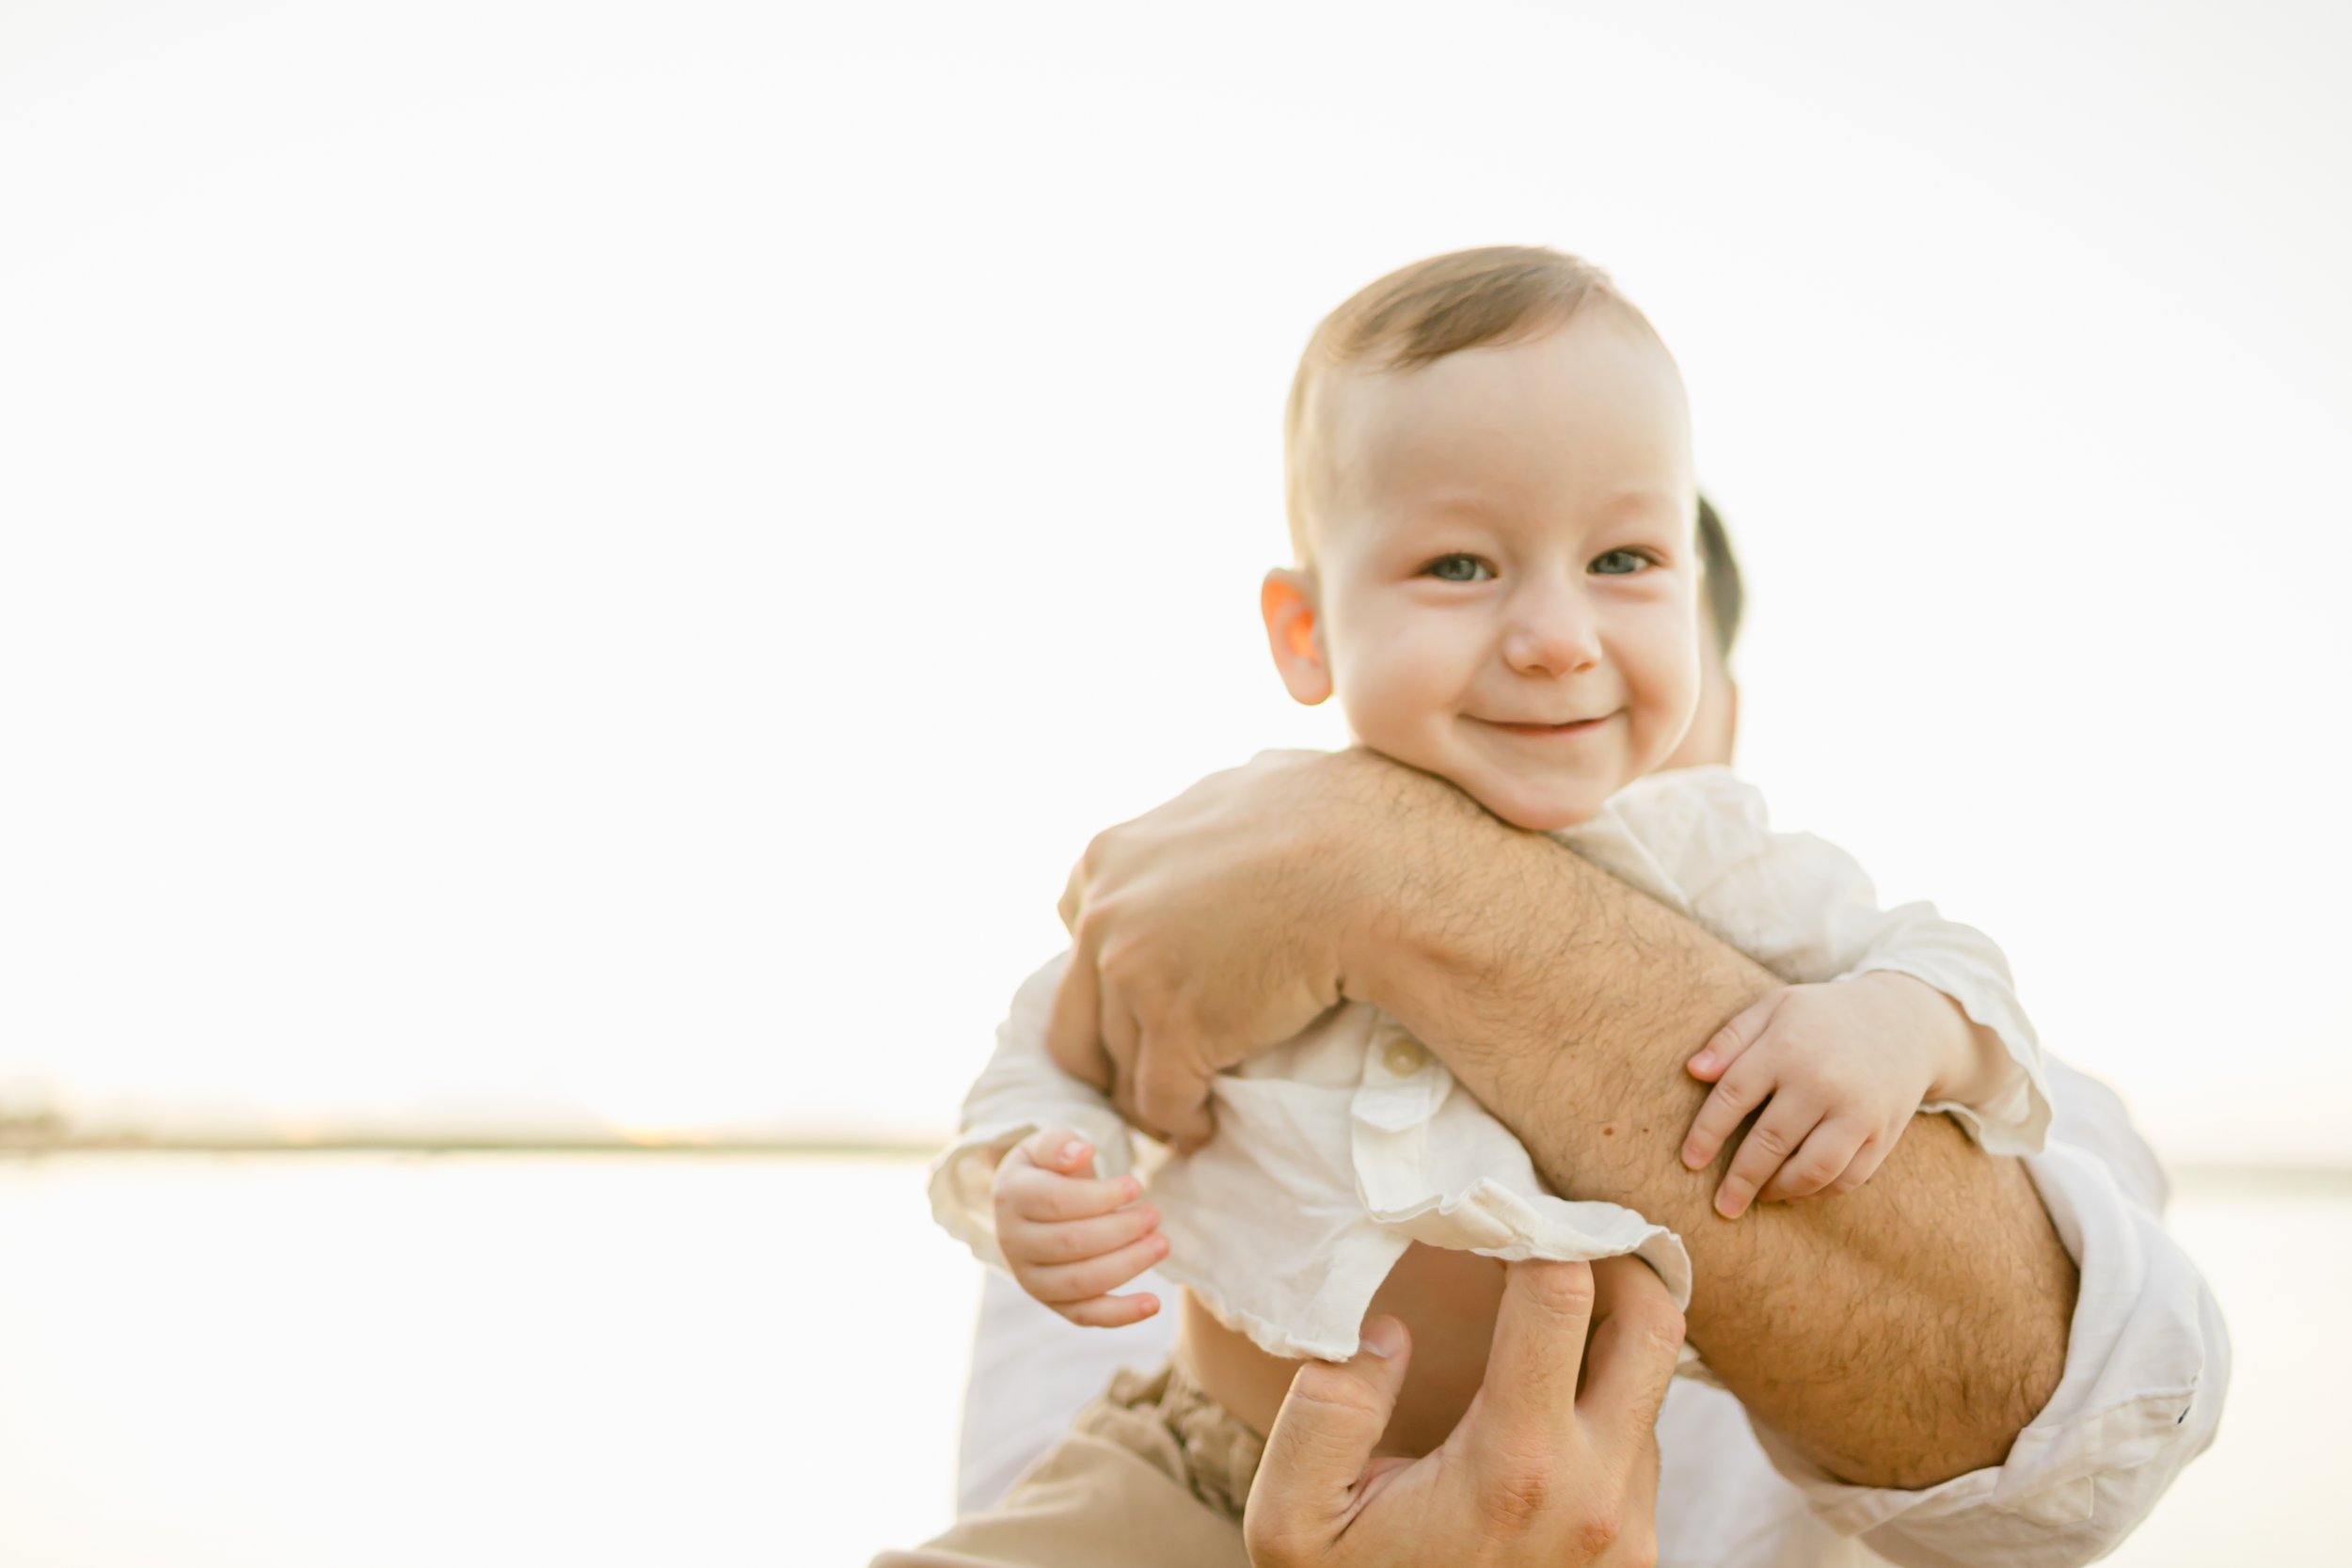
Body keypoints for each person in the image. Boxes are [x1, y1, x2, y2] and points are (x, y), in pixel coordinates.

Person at [882, 247, 2226, 1565]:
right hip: (1196, 1463)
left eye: (1624, 563)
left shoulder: (1725, 866)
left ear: (1702, 648)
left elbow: (1945, 968)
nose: (1556, 638)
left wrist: (1894, 1030)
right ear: (1306, 635)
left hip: (1585, 1499)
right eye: (1462, 568)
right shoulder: (1235, 873)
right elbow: (1052, 1050)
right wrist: (1032, 1173)